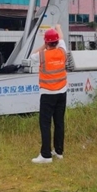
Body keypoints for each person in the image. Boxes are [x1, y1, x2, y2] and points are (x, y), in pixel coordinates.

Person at [30, 24, 68, 164]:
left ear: (47, 42)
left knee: (45, 124)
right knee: (59, 122)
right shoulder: (62, 52)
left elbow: (31, 55)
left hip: (47, 94)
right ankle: (58, 152)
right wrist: (58, 26)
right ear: (57, 42)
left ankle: (45, 155)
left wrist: (44, 46)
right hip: (62, 93)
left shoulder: (42, 55)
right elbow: (62, 38)